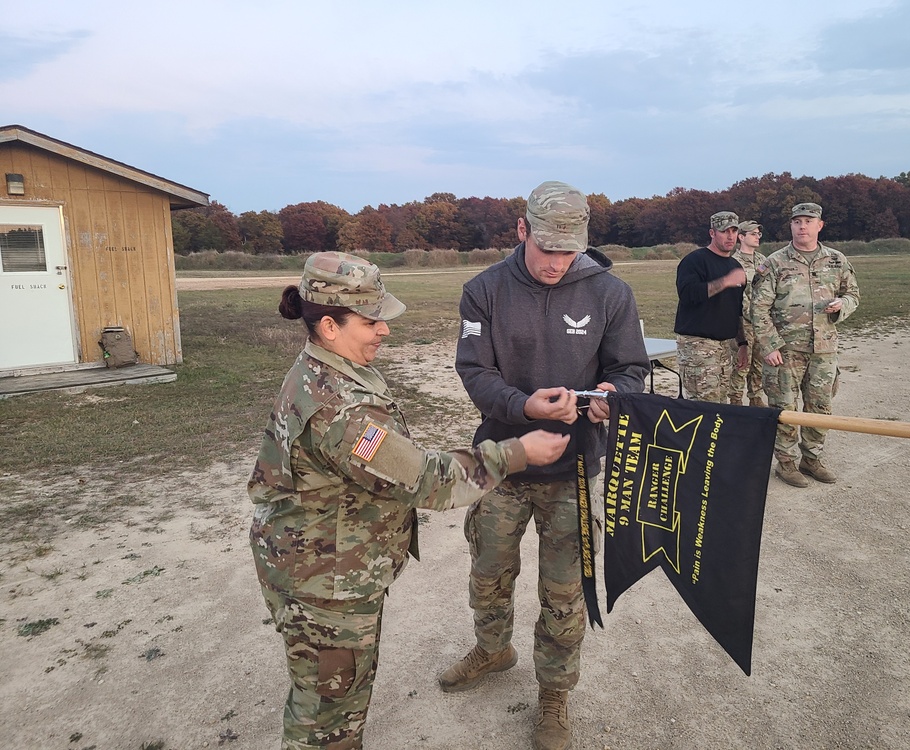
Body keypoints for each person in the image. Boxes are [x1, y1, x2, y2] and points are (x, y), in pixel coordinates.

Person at [248, 252, 569, 750]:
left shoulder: (325, 370)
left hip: (319, 567)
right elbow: (426, 481)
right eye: (372, 321)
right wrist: (517, 453)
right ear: (329, 325)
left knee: (332, 700)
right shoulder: (340, 410)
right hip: (324, 586)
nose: (385, 331)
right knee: (326, 721)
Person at [441, 181, 650, 750]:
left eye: (568, 251)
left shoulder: (610, 293)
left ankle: (554, 698)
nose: (557, 263)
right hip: (501, 464)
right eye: (546, 249)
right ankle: (492, 649)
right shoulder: (483, 290)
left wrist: (615, 395)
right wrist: (523, 406)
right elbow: (475, 373)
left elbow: (632, 368)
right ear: (521, 231)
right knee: (488, 575)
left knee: (564, 595)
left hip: (573, 472)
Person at [751, 202, 860, 488]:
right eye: (797, 221)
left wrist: (843, 305)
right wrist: (769, 346)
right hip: (785, 350)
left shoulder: (836, 260)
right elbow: (758, 308)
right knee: (785, 409)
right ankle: (785, 464)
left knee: (820, 407)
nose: (802, 226)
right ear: (791, 226)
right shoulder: (775, 262)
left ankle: (811, 459)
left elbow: (853, 294)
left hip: (824, 349)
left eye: (808, 221)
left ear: (819, 225)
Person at [673, 210, 749, 403]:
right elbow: (688, 294)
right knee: (703, 407)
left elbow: (736, 309)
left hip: (725, 346)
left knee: (720, 404)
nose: (730, 236)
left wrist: (742, 344)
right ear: (712, 233)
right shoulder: (695, 260)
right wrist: (725, 281)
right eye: (724, 231)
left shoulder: (735, 266)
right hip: (698, 345)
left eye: (734, 231)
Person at [728, 220, 768, 406]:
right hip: (742, 323)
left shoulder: (763, 261)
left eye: (759, 233)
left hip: (761, 322)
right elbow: (734, 296)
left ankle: (756, 400)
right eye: (753, 234)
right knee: (741, 365)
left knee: (759, 366)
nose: (757, 236)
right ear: (741, 237)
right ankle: (736, 402)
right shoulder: (732, 262)